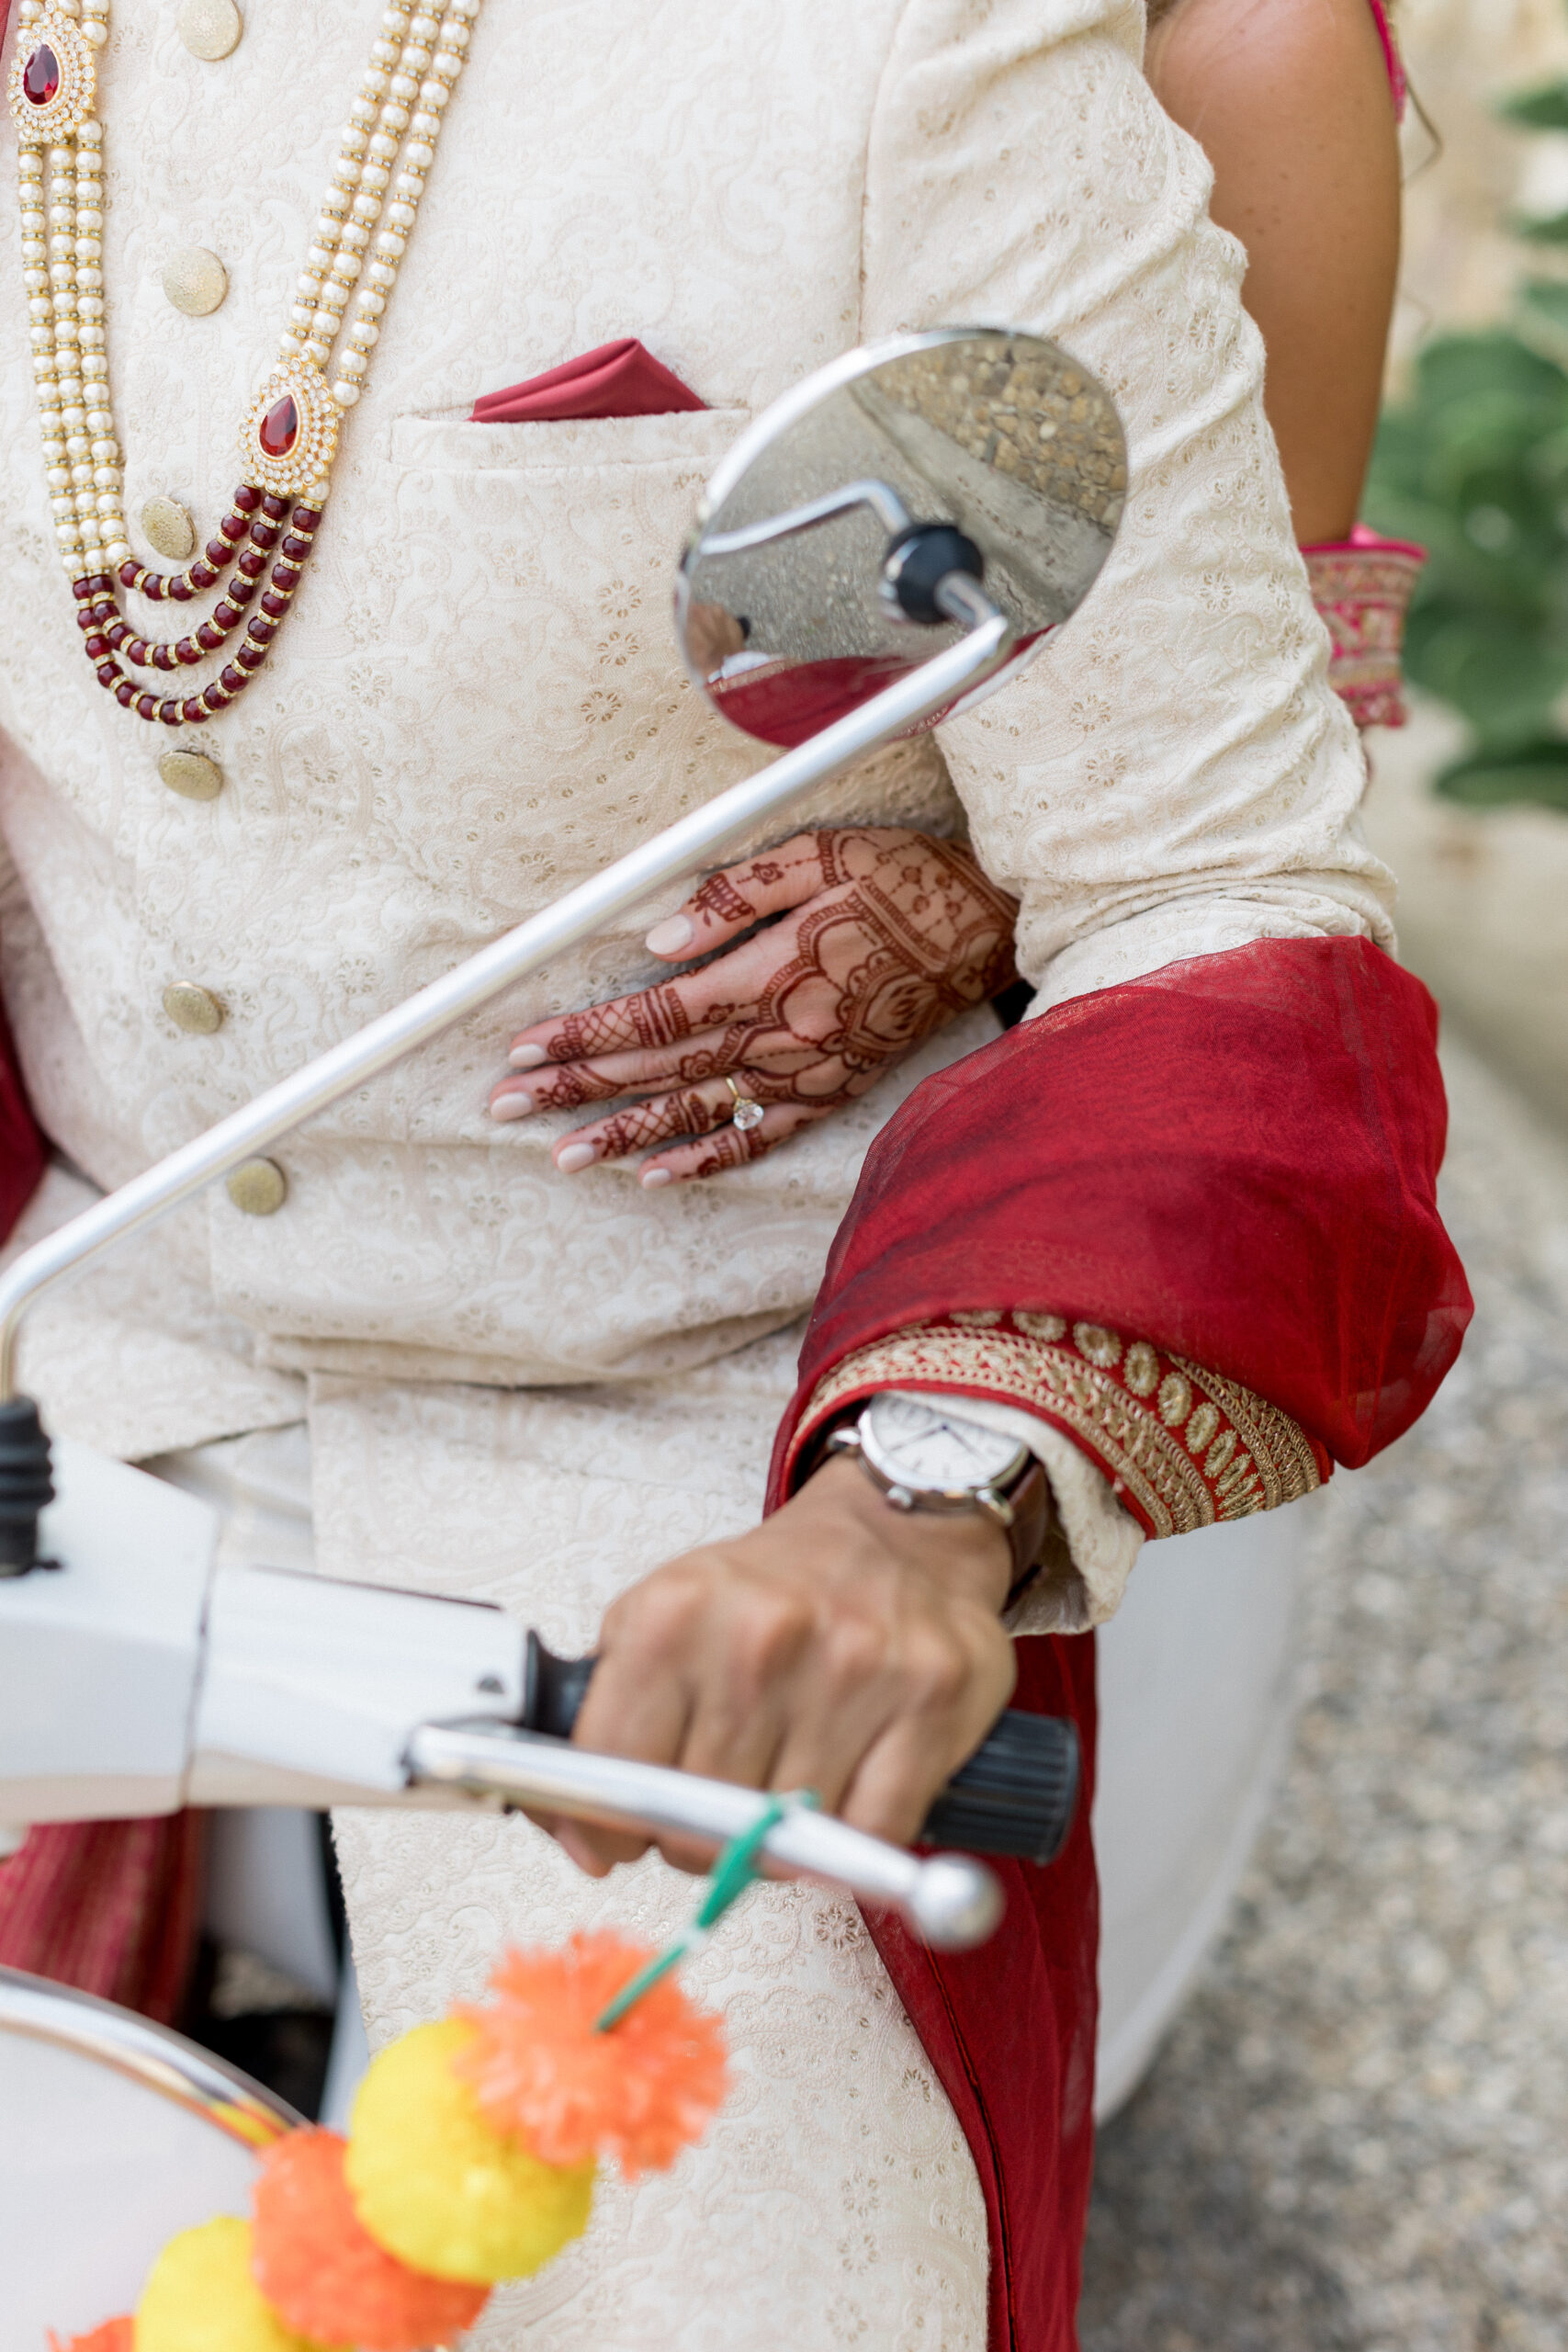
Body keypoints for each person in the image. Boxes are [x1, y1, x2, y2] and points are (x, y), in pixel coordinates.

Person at [0, 3, 1465, 2347]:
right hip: (67, 1336)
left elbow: (1208, 881)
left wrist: (909, 1511)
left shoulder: (941, 50)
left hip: (688, 1437)